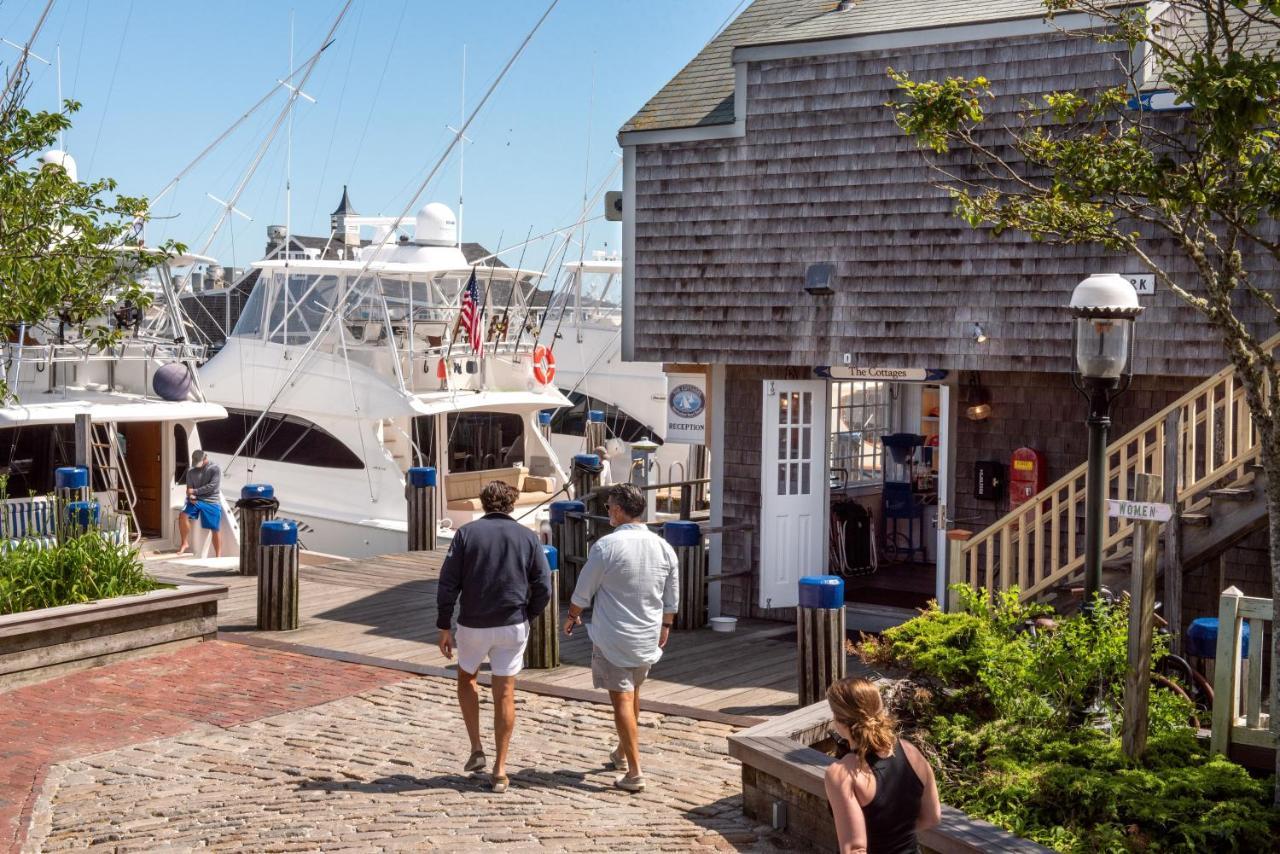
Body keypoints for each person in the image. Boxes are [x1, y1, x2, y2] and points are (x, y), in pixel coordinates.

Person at [436, 480, 552, 794]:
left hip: (474, 623)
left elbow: (448, 583)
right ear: (512, 504)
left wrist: (444, 624)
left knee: (467, 679)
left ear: (484, 504)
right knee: (505, 693)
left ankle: (476, 748)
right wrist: (529, 614)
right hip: (513, 622)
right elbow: (544, 586)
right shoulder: (527, 537)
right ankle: (500, 769)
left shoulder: (466, 534)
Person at [564, 482, 678, 793]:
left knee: (622, 700)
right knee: (634, 692)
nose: (608, 511)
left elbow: (583, 591)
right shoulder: (664, 547)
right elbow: (672, 595)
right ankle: (621, 752)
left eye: (609, 507)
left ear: (617, 510)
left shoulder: (606, 547)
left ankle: (635, 771)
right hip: (648, 633)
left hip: (614, 635)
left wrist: (572, 615)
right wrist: (666, 625)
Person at [824, 677, 941, 854]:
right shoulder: (911, 752)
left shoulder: (843, 773)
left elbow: (855, 849)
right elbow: (932, 817)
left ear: (840, 721)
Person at [177, 449, 222, 557]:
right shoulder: (191, 472)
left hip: (212, 501)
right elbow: (189, 489)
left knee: (214, 527)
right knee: (183, 515)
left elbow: (212, 487)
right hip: (195, 500)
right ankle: (184, 543)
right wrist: (191, 496)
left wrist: (195, 491)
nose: (196, 465)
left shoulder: (215, 469)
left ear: (205, 458)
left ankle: (218, 555)